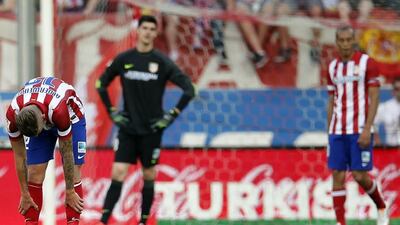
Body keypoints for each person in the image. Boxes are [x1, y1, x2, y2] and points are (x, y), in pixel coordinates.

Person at [95, 15, 195, 225]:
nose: (148, 32)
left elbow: (189, 89)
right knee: (118, 171)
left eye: (152, 29)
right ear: (137, 31)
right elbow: (100, 84)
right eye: (145, 28)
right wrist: (112, 112)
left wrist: (170, 116)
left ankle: (143, 220)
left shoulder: (161, 62)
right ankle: (103, 220)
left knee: (149, 174)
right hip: (128, 128)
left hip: (152, 129)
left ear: (155, 33)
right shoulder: (124, 59)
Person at [326, 25, 389, 225]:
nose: (345, 44)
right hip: (337, 130)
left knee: (360, 176)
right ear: (336, 42)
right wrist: (329, 131)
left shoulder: (366, 63)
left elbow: (375, 96)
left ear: (354, 41)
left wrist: (367, 128)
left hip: (359, 129)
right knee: (337, 174)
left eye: (348, 40)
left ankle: (380, 207)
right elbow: (331, 99)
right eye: (341, 40)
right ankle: (340, 222)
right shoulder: (332, 67)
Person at [5, 77, 86, 225]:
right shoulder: (13, 116)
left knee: (74, 170)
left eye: (37, 133)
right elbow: (19, 155)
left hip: (71, 115)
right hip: (38, 113)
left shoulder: (59, 110)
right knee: (34, 171)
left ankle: (73, 222)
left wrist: (69, 191)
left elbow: (67, 153)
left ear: (43, 119)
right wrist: (24, 193)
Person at [374, 77, 400, 146]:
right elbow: (373, 124)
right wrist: (377, 140)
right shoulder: (385, 107)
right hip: (393, 148)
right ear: (393, 91)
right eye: (397, 89)